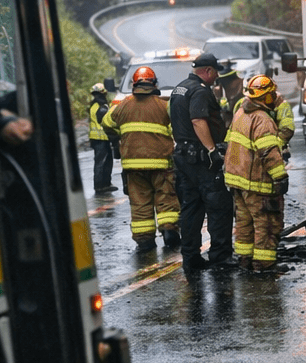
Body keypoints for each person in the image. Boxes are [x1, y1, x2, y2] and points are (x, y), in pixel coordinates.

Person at [168, 51, 234, 274]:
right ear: (207, 71)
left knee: (191, 207)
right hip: (200, 159)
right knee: (218, 205)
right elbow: (197, 120)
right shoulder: (200, 91)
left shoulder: (180, 88)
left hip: (183, 157)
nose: (216, 77)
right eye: (215, 72)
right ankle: (220, 257)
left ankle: (191, 257)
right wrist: (212, 150)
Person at [108, 65, 181, 249]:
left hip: (133, 165)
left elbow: (107, 122)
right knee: (166, 197)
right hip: (161, 162)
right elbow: (177, 128)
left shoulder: (123, 105)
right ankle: (169, 230)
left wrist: (122, 133)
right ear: (154, 84)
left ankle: (144, 239)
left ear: (134, 84)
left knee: (139, 202)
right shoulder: (164, 105)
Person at [224, 74, 289, 272]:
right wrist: (280, 176)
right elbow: (268, 152)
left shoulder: (240, 113)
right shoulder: (262, 119)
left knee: (244, 223)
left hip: (238, 181)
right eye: (272, 95)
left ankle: (245, 260)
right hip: (256, 182)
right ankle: (264, 263)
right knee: (266, 223)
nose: (274, 98)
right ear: (266, 97)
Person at [88, 82, 116, 193]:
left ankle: (105, 184)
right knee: (102, 162)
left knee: (106, 161)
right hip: (102, 138)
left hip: (96, 138)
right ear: (103, 93)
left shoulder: (93, 105)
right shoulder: (102, 106)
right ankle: (100, 186)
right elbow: (106, 122)